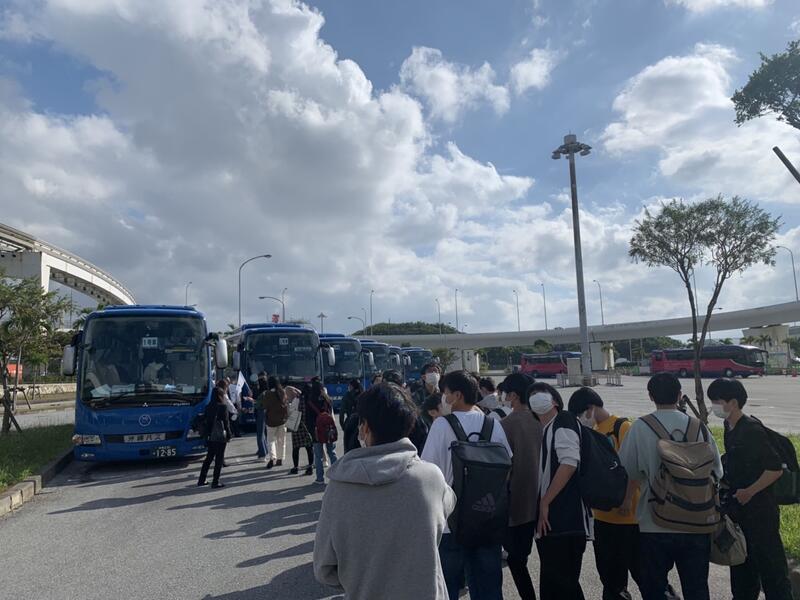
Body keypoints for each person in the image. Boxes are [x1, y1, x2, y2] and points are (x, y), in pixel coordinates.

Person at [314, 382, 455, 599]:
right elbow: (448, 506)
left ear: (365, 428)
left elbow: (324, 568)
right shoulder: (430, 478)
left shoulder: (339, 486)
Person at [618, 373, 723, 600]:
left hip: (654, 521)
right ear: (679, 395)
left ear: (650, 396)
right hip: (697, 521)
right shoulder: (698, 427)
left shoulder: (640, 427)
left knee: (654, 588)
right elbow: (717, 471)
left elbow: (629, 470)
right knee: (697, 587)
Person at [421, 370, 511, 600]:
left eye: (446, 393)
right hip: (487, 517)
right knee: (489, 588)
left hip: (451, 521)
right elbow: (507, 465)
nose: (444, 397)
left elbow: (427, 471)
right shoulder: (493, 424)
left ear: (457, 395)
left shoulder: (441, 426)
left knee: (448, 587)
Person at [708, 378, 793, 600]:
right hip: (740, 511)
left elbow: (775, 469)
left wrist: (750, 491)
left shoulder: (751, 429)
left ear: (733, 402)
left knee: (771, 568)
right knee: (742, 565)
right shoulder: (729, 426)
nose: (714, 406)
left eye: (717, 401)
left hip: (761, 511)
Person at [568, 386, 641, 600]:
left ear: (591, 408)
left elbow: (635, 467)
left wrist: (627, 499)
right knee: (610, 577)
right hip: (602, 517)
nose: (581, 419)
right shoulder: (590, 431)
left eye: (581, 413)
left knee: (643, 572)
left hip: (629, 517)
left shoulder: (622, 427)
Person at [531, 381, 591, 600]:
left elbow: (569, 462)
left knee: (563, 585)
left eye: (542, 393)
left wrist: (545, 502)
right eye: (532, 394)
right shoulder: (548, 428)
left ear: (555, 401)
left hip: (565, 520)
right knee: (556, 585)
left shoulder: (563, 420)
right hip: (555, 523)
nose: (536, 397)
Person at [498, 373, 541, 600]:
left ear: (513, 395)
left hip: (518, 504)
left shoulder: (505, 425)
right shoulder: (543, 420)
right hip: (546, 500)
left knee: (517, 559)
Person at [197, 387, 232, 488]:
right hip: (220, 436)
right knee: (219, 459)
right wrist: (229, 435)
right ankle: (215, 481)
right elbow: (226, 423)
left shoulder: (208, 406)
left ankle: (201, 480)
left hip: (210, 435)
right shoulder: (223, 407)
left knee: (209, 458)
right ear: (220, 396)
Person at [306, 379, 338, 484]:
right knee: (332, 452)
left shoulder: (310, 401)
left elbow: (308, 419)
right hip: (328, 429)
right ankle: (336, 475)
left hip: (316, 430)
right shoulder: (327, 399)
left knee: (318, 456)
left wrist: (310, 430)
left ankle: (320, 478)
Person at [264, 376, 289, 470]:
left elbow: (265, 406)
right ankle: (280, 459)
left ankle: (272, 457)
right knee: (281, 441)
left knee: (270, 441)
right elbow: (286, 404)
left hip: (271, 421)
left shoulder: (267, 393)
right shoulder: (282, 392)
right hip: (282, 421)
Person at [289, 385, 314, 476]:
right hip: (308, 426)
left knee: (296, 448)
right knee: (309, 448)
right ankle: (310, 467)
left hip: (298, 426)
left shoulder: (297, 399)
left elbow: (291, 411)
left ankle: (295, 467)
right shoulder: (311, 400)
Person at [254, 371, 269, 461]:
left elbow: (257, 402)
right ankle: (264, 450)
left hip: (261, 411)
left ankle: (262, 454)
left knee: (260, 433)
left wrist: (251, 399)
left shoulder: (259, 389)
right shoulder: (268, 389)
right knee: (264, 432)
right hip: (267, 410)